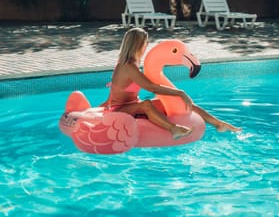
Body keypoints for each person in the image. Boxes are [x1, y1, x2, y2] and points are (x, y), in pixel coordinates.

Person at [99, 27, 241, 140]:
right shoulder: (127, 66)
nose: (146, 45)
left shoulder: (133, 64)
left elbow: (116, 92)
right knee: (148, 104)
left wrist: (178, 96)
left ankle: (218, 124)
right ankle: (173, 129)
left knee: (178, 102)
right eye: (145, 42)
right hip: (119, 110)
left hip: (132, 105)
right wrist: (180, 92)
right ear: (137, 44)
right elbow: (151, 87)